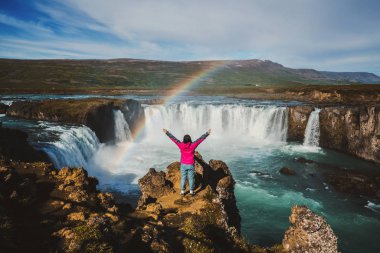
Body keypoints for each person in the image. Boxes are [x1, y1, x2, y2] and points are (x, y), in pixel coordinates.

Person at [163, 128, 211, 196]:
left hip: (183, 164)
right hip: (191, 164)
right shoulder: (192, 145)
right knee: (191, 178)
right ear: (190, 139)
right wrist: (207, 133)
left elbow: (174, 139)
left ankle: (182, 191)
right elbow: (200, 139)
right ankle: (191, 191)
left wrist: (167, 132)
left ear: (184, 140)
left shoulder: (181, 145)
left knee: (183, 178)